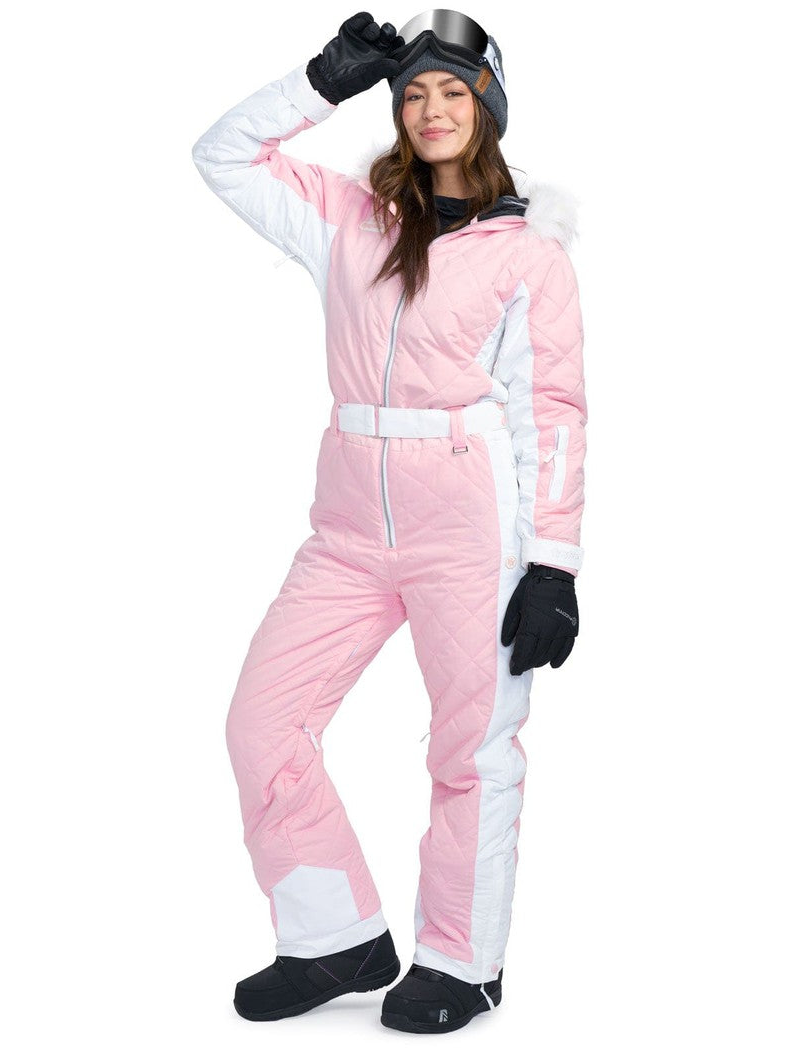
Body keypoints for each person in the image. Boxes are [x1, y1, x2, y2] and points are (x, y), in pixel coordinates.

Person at [191, 9, 587, 1034]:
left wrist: (552, 563)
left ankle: (463, 963)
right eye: (414, 93)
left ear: (488, 107)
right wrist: (318, 83)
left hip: (471, 531)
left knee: (472, 752)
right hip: (348, 533)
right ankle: (335, 938)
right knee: (262, 722)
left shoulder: (528, 256)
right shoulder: (349, 220)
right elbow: (222, 154)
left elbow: (551, 413)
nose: (431, 109)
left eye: (454, 92)